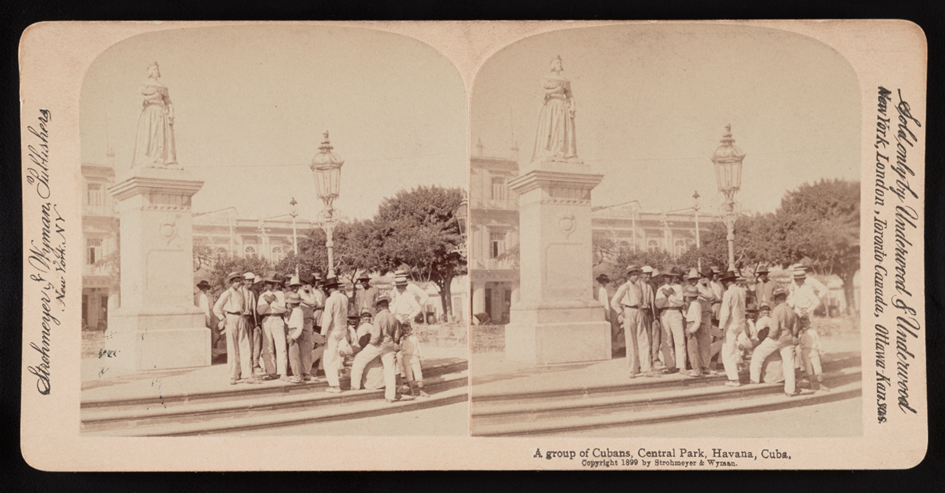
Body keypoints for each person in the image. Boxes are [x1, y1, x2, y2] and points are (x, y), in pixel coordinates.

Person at [350, 294, 402, 403]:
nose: (376, 309)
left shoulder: (379, 316)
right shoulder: (394, 317)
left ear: (380, 306)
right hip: (389, 345)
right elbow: (397, 336)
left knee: (359, 359)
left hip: (378, 345)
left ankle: (355, 386)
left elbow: (376, 335)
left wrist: (371, 343)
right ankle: (390, 396)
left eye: (377, 307)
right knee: (390, 370)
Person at [749, 288, 801, 397]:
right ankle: (790, 390)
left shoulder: (777, 309)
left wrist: (770, 337)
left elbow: (774, 328)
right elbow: (795, 329)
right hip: (788, 339)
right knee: (789, 364)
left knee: (758, 353)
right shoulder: (792, 311)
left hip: (777, 338)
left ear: (777, 299)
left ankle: (754, 379)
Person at [213, 272, 261, 385]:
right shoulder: (227, 293)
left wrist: (245, 312)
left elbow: (242, 307)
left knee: (245, 346)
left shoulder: (241, 293)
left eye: (239, 281)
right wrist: (222, 318)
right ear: (231, 282)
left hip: (241, 318)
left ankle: (247, 374)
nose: (238, 283)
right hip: (231, 318)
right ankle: (233, 375)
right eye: (235, 281)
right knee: (232, 347)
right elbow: (216, 308)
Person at [532, 55, 578, 162]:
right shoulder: (547, 78)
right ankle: (549, 150)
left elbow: (569, 94)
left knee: (563, 129)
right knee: (551, 127)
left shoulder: (565, 80)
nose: (560, 64)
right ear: (552, 65)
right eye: (557, 63)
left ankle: (564, 152)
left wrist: (572, 104)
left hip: (563, 106)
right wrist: (555, 90)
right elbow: (542, 93)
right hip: (552, 105)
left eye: (560, 63)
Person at [611, 265, 654, 378]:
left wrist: (642, 307)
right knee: (631, 341)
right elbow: (614, 301)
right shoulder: (624, 287)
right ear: (628, 276)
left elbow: (639, 300)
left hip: (638, 312)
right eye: (633, 274)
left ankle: (645, 368)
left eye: (637, 274)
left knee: (643, 339)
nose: (635, 276)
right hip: (628, 312)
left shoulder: (639, 287)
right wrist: (620, 312)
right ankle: (632, 369)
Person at [132, 61, 177, 168]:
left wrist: (171, 111)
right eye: (154, 69)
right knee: (150, 134)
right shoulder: (144, 85)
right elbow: (139, 100)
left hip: (162, 113)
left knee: (161, 135)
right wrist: (153, 96)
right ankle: (148, 157)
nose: (156, 71)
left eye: (157, 69)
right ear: (150, 72)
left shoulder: (163, 87)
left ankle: (162, 158)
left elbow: (168, 101)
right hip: (150, 112)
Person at [718, 270, 746, 387]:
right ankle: (739, 368)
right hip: (741, 322)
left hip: (731, 324)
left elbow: (725, 312)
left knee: (727, 351)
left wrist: (721, 327)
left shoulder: (728, 293)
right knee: (736, 349)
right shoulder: (742, 291)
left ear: (727, 282)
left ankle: (734, 379)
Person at [320, 277, 349, 393]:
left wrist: (323, 333)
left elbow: (327, 318)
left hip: (333, 330)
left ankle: (335, 385)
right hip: (343, 329)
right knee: (337, 354)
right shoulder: (344, 297)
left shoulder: (330, 300)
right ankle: (341, 372)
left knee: (329, 357)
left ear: (328, 289)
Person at [257, 274, 288, 380]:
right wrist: (267, 302)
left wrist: (272, 302)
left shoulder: (280, 294)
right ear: (265, 284)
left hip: (277, 319)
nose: (270, 285)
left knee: (281, 346)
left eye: (272, 283)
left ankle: (282, 372)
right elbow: (260, 311)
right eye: (268, 283)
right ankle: (271, 372)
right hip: (266, 320)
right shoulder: (262, 295)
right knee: (267, 347)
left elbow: (283, 310)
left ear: (276, 284)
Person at [655, 267, 685, 374]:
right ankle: (670, 365)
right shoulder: (660, 289)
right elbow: (658, 305)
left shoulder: (678, 287)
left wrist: (670, 296)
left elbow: (680, 303)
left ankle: (681, 366)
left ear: (674, 277)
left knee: (679, 339)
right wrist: (665, 296)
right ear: (663, 277)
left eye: (671, 276)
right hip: (664, 313)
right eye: (666, 276)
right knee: (666, 340)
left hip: (675, 312)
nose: (669, 278)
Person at [797, 315, 829, 392]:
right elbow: (799, 343)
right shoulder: (800, 332)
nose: (805, 325)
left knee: (817, 368)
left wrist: (820, 351)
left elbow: (818, 341)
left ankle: (821, 385)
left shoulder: (813, 331)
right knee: (808, 369)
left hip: (814, 350)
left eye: (806, 323)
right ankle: (812, 386)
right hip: (805, 352)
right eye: (803, 324)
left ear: (809, 323)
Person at [695, 268, 718, 375]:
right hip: (699, 315)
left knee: (706, 342)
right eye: (702, 277)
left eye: (706, 277)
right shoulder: (697, 287)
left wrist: (709, 284)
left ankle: (705, 365)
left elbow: (712, 296)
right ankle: (700, 365)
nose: (703, 279)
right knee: (700, 342)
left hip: (707, 316)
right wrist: (708, 285)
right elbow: (709, 296)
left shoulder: (709, 287)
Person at [400, 323, 429, 398]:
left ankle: (421, 390)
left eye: (408, 330)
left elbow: (418, 348)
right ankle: (412, 391)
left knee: (418, 374)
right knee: (409, 375)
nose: (406, 332)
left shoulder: (414, 338)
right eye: (404, 330)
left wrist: (421, 358)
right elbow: (400, 349)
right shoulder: (401, 339)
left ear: (411, 330)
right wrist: (403, 339)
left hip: (414, 357)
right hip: (406, 358)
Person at [596, 274, 622, 355]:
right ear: (603, 282)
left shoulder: (595, 289)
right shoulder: (603, 290)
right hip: (603, 312)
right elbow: (605, 304)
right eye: (605, 282)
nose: (605, 283)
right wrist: (608, 316)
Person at [283, 292, 306, 384]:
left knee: (294, 356)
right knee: (294, 355)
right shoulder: (296, 311)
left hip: (294, 333)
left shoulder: (298, 311)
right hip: (292, 331)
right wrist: (286, 319)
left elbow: (299, 327)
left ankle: (298, 376)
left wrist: (293, 337)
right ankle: (298, 375)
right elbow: (292, 324)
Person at [641, 266, 661, 368]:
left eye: (650, 274)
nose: (648, 276)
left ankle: (653, 358)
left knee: (653, 336)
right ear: (641, 275)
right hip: (641, 314)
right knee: (644, 337)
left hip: (650, 313)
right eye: (646, 274)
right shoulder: (638, 285)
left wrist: (655, 317)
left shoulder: (650, 286)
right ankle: (645, 360)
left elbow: (653, 302)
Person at [683, 285, 704, 377]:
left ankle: (697, 370)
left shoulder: (695, 305)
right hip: (690, 324)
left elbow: (697, 320)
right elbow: (689, 316)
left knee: (692, 349)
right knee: (692, 349)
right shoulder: (693, 304)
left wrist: (691, 331)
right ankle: (697, 368)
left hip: (692, 326)